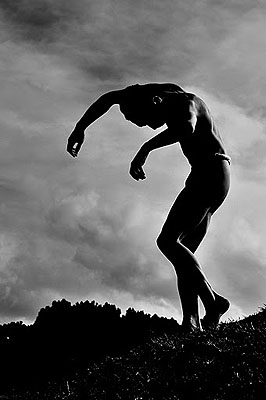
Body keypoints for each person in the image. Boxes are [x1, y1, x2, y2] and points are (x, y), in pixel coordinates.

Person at [67, 83, 230, 332]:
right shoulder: (146, 95)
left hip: (210, 172)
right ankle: (192, 321)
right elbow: (109, 98)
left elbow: (186, 128)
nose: (146, 126)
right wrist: (80, 128)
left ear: (155, 102)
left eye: (144, 121)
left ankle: (213, 302)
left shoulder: (187, 103)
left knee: (167, 242)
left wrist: (146, 149)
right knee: (183, 254)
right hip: (211, 173)